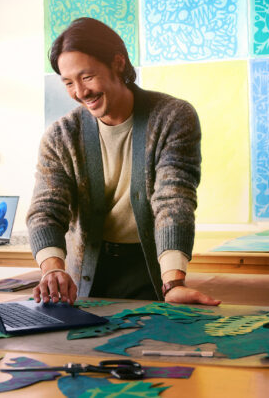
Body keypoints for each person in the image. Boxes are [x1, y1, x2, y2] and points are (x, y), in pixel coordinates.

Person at [27, 17, 220, 306]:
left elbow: (174, 197)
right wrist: (53, 268)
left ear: (117, 63)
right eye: (69, 83)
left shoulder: (173, 116)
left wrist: (173, 282)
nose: (80, 92)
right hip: (87, 276)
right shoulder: (60, 136)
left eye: (87, 77)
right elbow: (45, 209)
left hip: (151, 270)